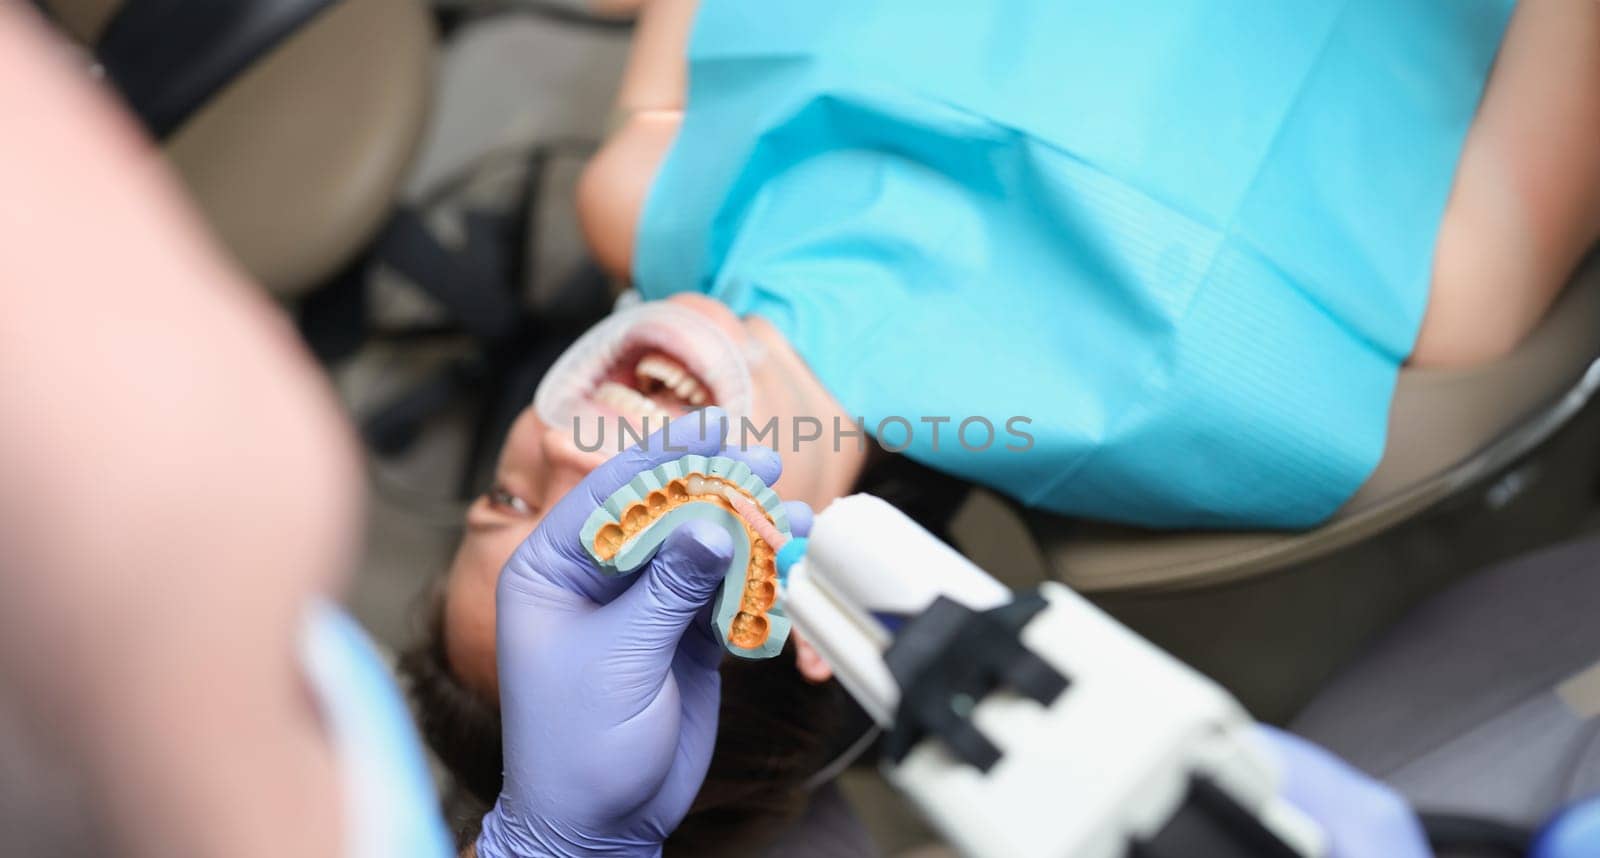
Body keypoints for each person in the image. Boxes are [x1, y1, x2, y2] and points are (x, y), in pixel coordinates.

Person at [414, 0, 1600, 849]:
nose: (566, 451)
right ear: (810, 619)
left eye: (505, 503)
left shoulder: (648, 192)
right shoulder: (1251, 381)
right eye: (612, 565)